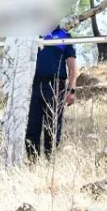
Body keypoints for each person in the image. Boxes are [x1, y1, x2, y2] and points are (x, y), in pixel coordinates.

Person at [25, 25, 78, 159]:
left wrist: (71, 90)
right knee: (32, 127)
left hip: (55, 85)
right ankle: (32, 162)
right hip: (34, 85)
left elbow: (72, 67)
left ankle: (50, 162)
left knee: (52, 127)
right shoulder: (34, 33)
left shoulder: (64, 35)